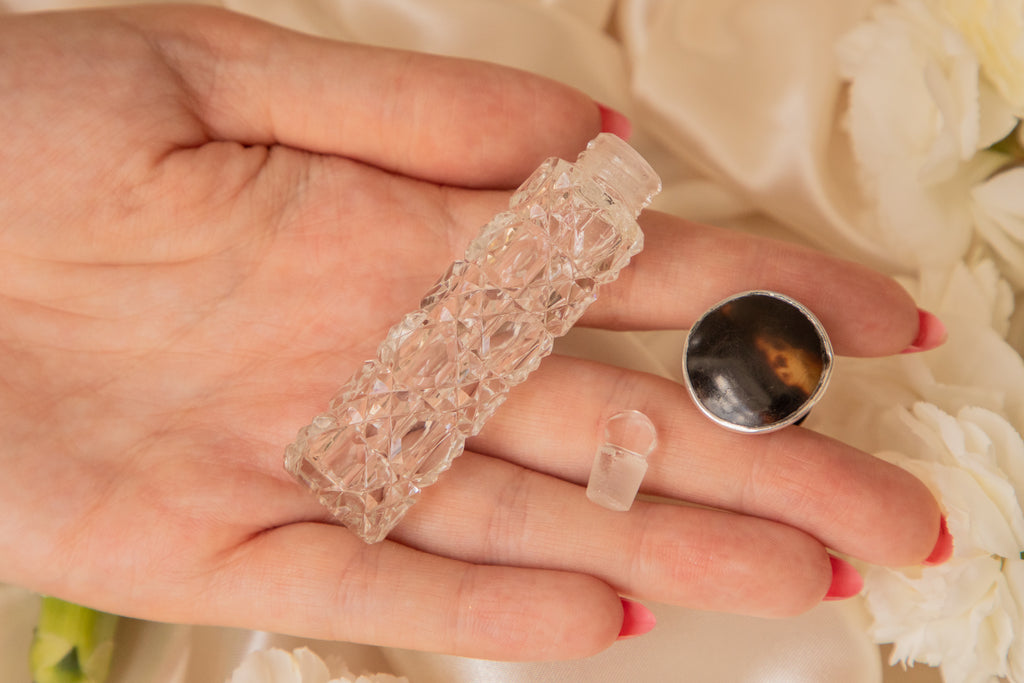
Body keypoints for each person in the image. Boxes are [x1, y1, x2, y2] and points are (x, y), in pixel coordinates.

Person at [0, 4, 950, 663]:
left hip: (392, 422)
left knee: (450, 376)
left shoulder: (599, 230)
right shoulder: (564, 207)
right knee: (427, 379)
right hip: (365, 431)